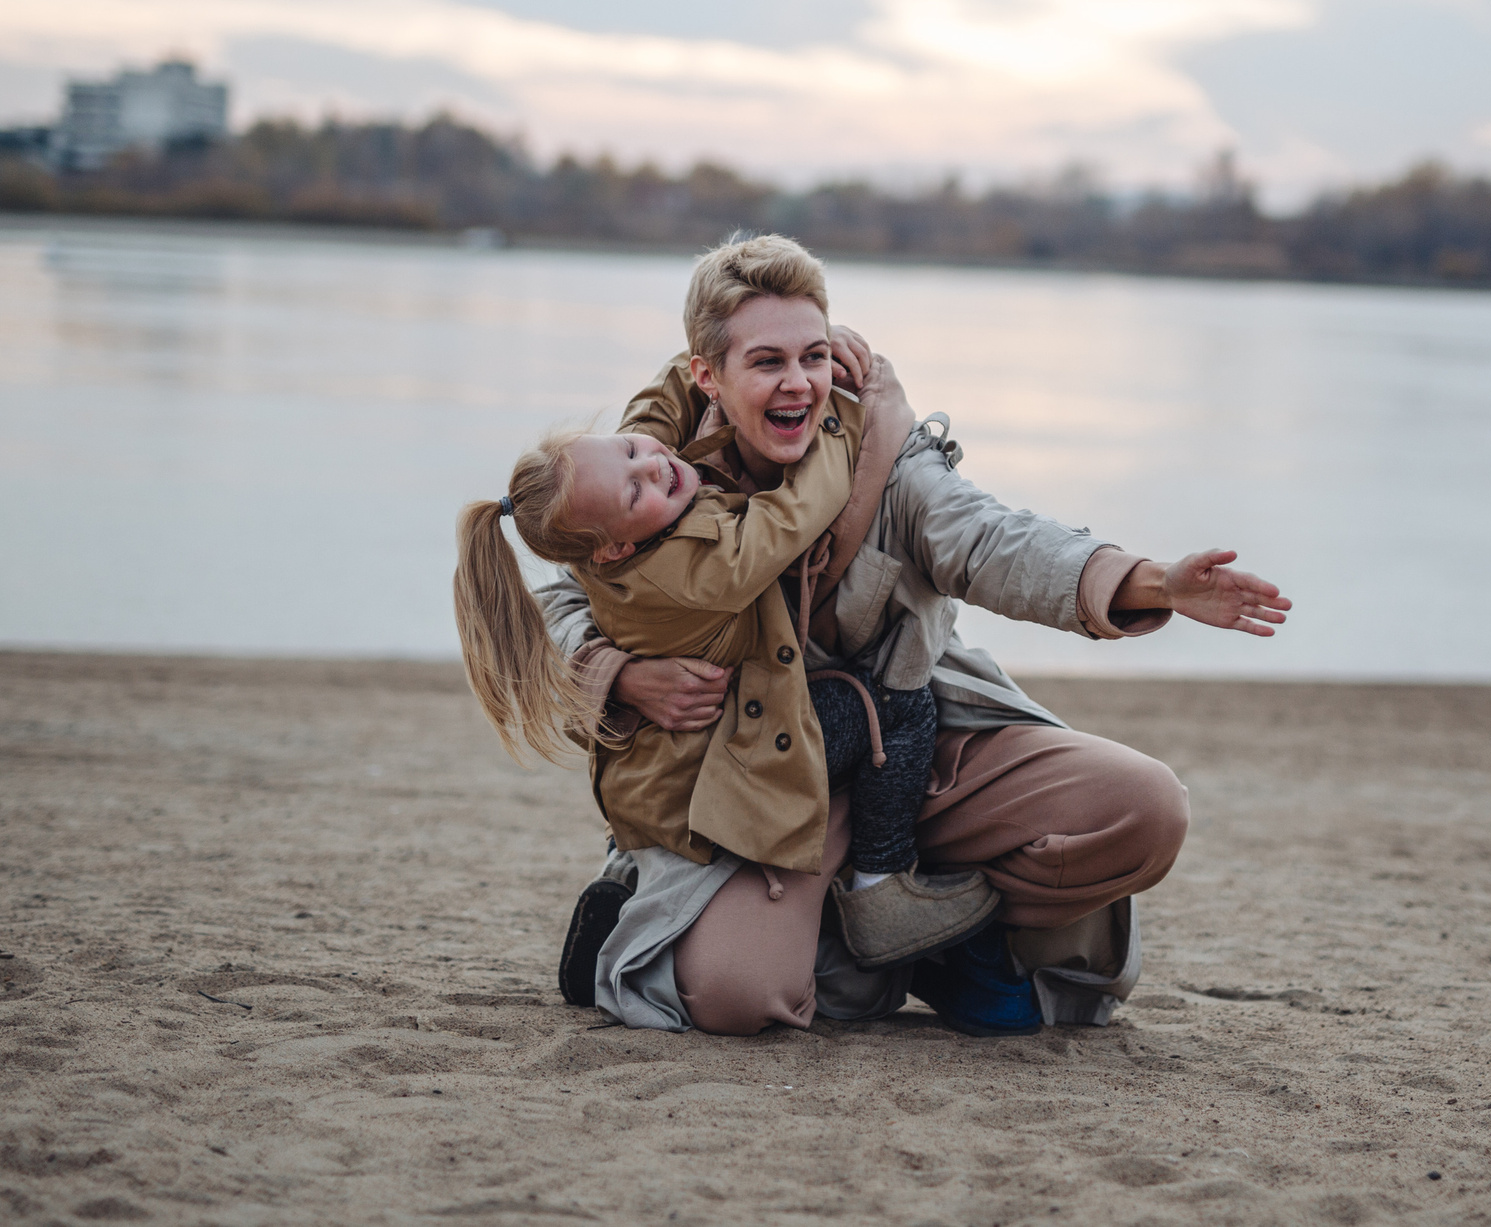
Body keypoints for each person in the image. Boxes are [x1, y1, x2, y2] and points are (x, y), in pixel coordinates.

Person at [533, 233, 1290, 1037]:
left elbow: (993, 540)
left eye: (815, 355)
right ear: (707, 375)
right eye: (767, 362)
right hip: (767, 786)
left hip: (918, 744)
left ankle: (941, 927)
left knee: (1146, 808)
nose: (799, 383)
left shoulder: (883, 451)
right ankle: (849, 935)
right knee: (739, 994)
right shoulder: (655, 475)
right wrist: (617, 672)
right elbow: (558, 599)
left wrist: (1149, 580)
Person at [453, 365, 1001, 974]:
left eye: (631, 448)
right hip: (708, 768)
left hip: (646, 777)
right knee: (895, 706)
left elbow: (658, 410)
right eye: (636, 490)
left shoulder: (607, 537)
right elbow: (801, 510)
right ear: (612, 549)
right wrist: (835, 417)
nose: (653, 466)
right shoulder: (701, 567)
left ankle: (630, 878)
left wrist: (724, 354)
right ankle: (880, 885)